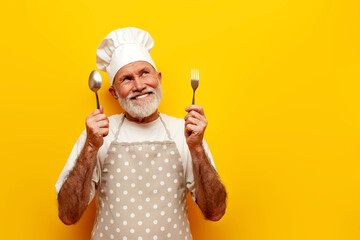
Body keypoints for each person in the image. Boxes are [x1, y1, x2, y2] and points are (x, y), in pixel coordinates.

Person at [55, 27, 227, 240]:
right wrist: (90, 147)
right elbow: (68, 215)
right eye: (126, 79)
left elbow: (215, 211)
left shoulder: (186, 133)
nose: (139, 85)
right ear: (114, 94)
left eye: (145, 73)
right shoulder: (98, 134)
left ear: (159, 78)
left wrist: (197, 148)